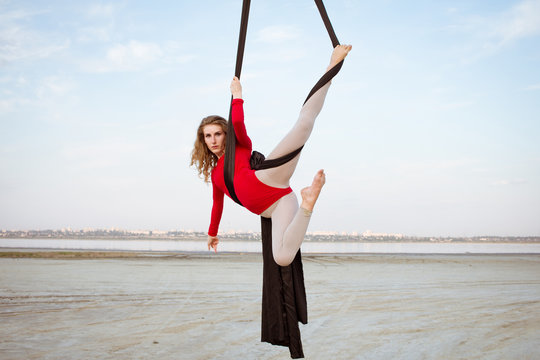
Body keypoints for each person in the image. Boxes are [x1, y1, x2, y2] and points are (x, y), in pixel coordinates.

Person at [191, 44, 352, 266]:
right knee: (283, 258)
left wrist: (237, 95)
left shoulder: (240, 146)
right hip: (275, 206)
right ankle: (308, 202)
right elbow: (217, 205)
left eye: (218, 134)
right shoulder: (216, 175)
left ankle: (333, 64)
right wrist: (212, 232)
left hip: (269, 179)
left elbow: (237, 121)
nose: (213, 140)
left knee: (303, 125)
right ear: (203, 141)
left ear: (225, 135)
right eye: (208, 136)